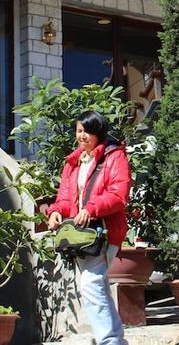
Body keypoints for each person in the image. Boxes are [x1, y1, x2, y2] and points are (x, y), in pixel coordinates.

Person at [47, 111, 132, 345]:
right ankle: (115, 339)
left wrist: (92, 208)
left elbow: (118, 194)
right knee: (98, 285)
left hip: (104, 231)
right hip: (81, 235)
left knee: (91, 284)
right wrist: (56, 211)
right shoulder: (73, 162)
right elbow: (65, 198)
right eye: (78, 131)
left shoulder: (115, 157)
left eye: (86, 131)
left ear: (98, 132)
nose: (81, 136)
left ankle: (110, 341)